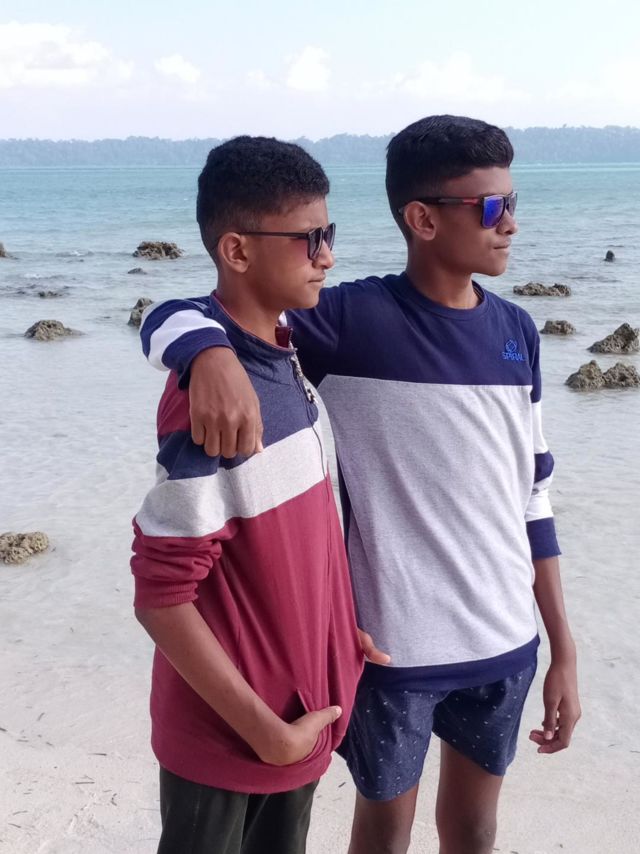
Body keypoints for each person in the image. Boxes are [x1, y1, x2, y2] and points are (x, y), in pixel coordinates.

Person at [139, 116, 581, 854]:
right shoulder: (349, 321)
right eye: (492, 206)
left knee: (475, 831)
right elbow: (205, 310)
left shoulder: (518, 333)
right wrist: (206, 351)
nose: (511, 223)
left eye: (513, 202)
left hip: (505, 641)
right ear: (422, 219)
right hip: (392, 651)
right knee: (383, 833)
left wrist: (563, 648)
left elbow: (535, 495)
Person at [131, 135, 374, 854]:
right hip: (232, 739)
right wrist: (266, 734)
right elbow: (161, 597)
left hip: (299, 720)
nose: (328, 256)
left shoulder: (285, 355)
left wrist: (336, 630)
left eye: (330, 233)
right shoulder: (215, 402)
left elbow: (291, 540)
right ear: (236, 250)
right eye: (309, 239)